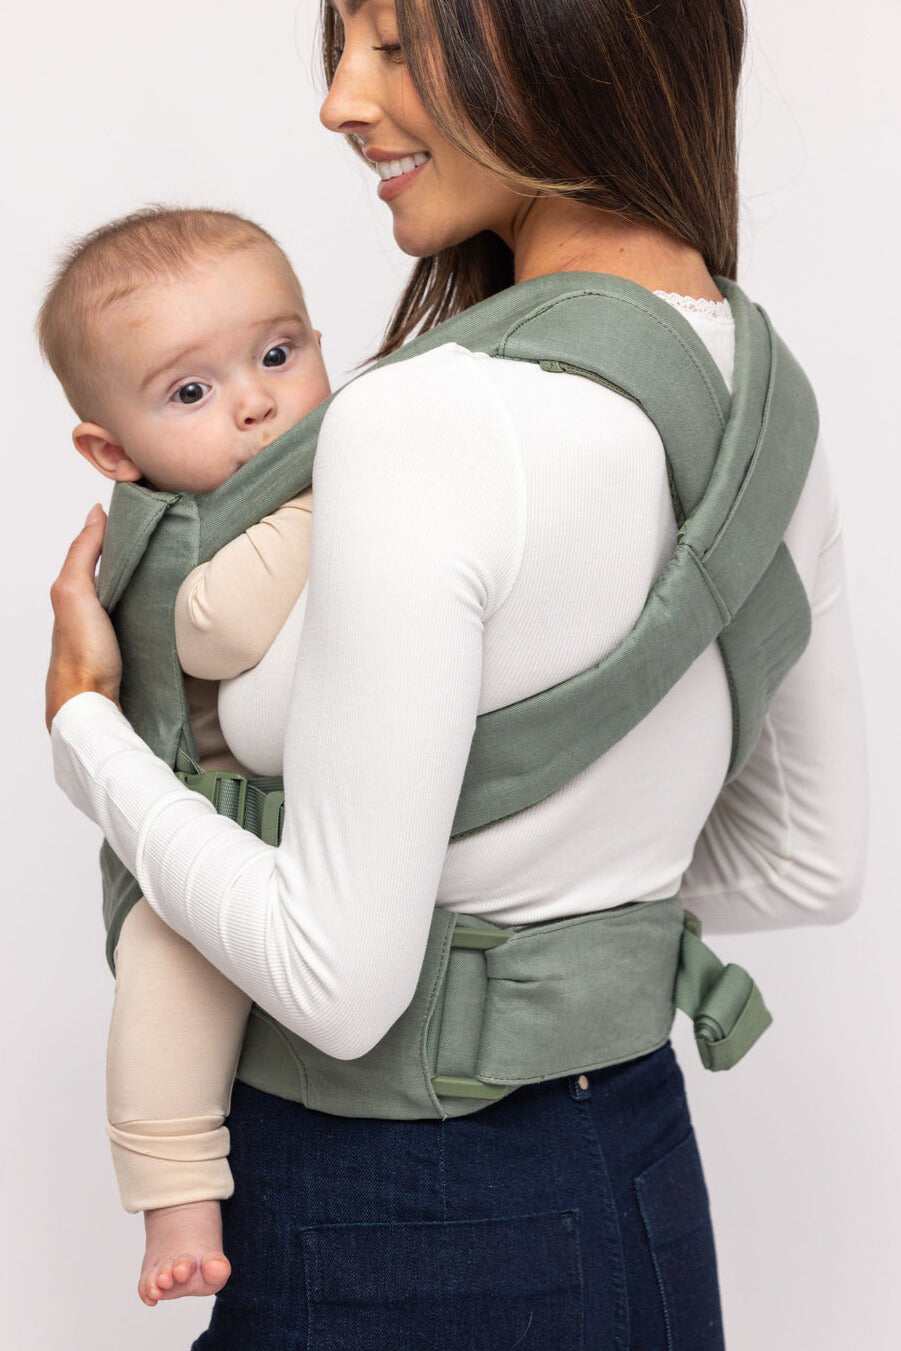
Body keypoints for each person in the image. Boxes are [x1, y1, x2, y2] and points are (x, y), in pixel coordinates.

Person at [46, 0, 868, 1346]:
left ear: (566, 42)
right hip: (638, 1174)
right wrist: (554, 923)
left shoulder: (425, 421)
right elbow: (804, 863)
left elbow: (335, 976)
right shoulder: (763, 391)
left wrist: (86, 728)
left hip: (393, 1203)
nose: (338, 102)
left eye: (391, 42)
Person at [37, 206, 327, 1306]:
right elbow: (212, 628)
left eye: (277, 352)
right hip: (200, 840)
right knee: (165, 988)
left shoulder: (336, 462)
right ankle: (177, 1206)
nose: (256, 401)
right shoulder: (186, 524)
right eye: (191, 391)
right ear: (115, 454)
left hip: (324, 833)